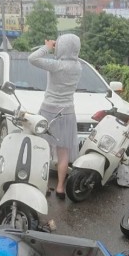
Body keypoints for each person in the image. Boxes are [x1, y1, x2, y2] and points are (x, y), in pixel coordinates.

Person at [28, 35, 82, 199]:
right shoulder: (78, 66)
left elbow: (33, 58)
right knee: (63, 152)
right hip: (67, 113)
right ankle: (60, 188)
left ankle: (42, 186)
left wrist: (47, 47)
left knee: (43, 149)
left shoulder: (57, 65)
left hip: (49, 111)